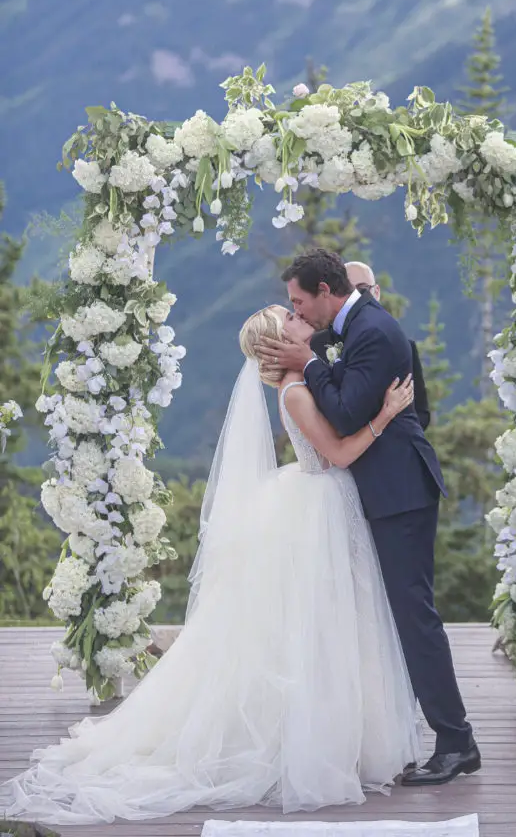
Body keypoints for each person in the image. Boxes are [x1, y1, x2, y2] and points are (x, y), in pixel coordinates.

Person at [0, 307, 419, 825]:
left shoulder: (304, 378)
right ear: (276, 342)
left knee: (329, 628)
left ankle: (342, 738)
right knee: (315, 629)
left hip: (320, 504)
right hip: (319, 506)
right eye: (287, 315)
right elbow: (335, 454)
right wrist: (386, 415)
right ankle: (315, 743)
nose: (297, 315)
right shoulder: (295, 390)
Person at [256, 249, 480, 787]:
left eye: (300, 301)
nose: (299, 313)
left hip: (399, 493)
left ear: (326, 293)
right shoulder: (349, 328)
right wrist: (314, 358)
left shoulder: (373, 330)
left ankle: (456, 743)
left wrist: (308, 361)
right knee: (391, 617)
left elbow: (347, 409)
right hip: (378, 488)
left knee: (413, 617)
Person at [343, 261, 430, 431]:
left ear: (376, 292)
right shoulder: (334, 347)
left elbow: (422, 413)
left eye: (362, 290)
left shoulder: (404, 346)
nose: (355, 299)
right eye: (348, 292)